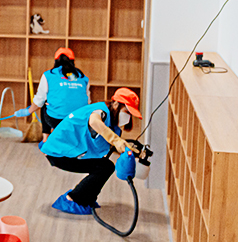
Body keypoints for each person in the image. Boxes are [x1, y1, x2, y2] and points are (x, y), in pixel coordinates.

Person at [41, 87, 142, 215]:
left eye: (130, 114)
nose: (128, 117)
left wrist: (131, 151)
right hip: (58, 153)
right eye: (126, 112)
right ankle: (73, 199)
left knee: (104, 166)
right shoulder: (101, 111)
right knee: (104, 167)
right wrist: (115, 140)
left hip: (66, 151)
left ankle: (86, 198)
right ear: (116, 104)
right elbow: (94, 121)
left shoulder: (112, 123)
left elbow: (109, 145)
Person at [14, 47, 89, 141]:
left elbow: (39, 101)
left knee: (45, 103)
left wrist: (28, 111)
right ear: (73, 61)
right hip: (79, 120)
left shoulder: (49, 75)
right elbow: (87, 101)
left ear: (56, 61)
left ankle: (45, 139)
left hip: (56, 120)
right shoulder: (82, 77)